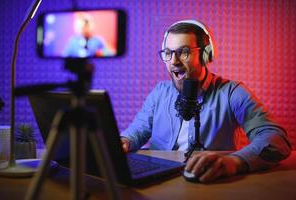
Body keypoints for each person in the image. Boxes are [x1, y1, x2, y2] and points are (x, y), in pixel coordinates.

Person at [120, 19, 291, 183]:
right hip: (158, 181)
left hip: (207, 182)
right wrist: (124, 142)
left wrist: (234, 162)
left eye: (184, 52)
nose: (174, 61)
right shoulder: (159, 92)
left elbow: (276, 140)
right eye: (168, 53)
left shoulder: (232, 92)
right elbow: (138, 130)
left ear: (205, 55)